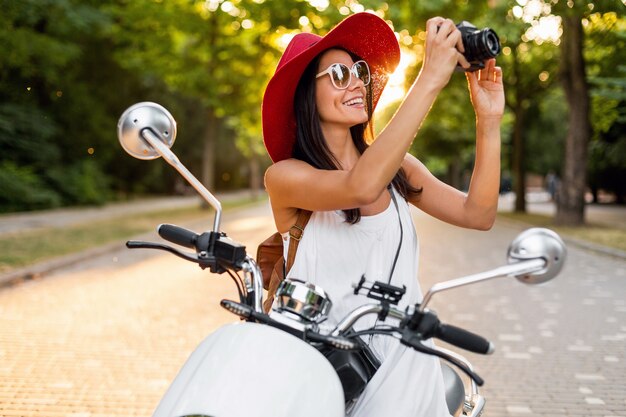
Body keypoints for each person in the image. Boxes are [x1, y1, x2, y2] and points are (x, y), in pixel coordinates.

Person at [261, 12, 504, 417]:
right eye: (338, 74)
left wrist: (489, 121)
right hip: (318, 365)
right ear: (306, 94)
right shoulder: (285, 176)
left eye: (358, 71)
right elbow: (359, 186)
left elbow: (477, 213)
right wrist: (429, 78)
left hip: (404, 364)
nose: (357, 82)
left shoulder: (398, 168)